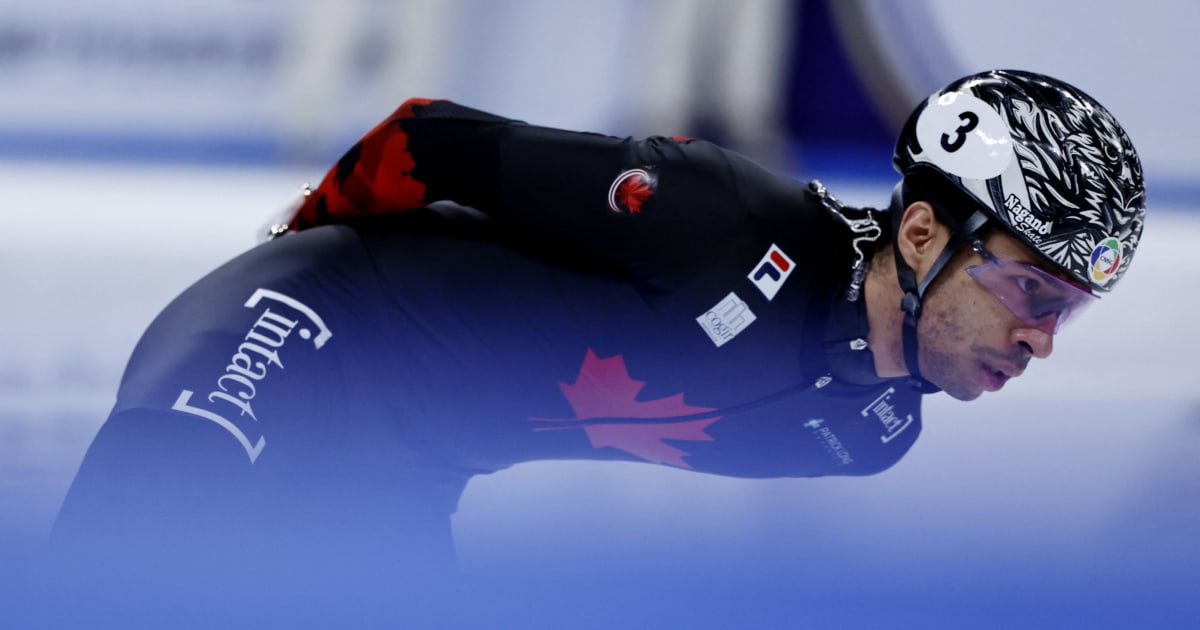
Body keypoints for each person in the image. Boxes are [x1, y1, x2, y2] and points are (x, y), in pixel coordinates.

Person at [48, 70, 1144, 603]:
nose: (1042, 342)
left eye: (1073, 314)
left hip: (403, 470)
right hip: (304, 330)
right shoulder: (724, 221)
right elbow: (425, 141)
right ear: (920, 233)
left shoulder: (862, 431)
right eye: (1034, 296)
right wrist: (276, 281)